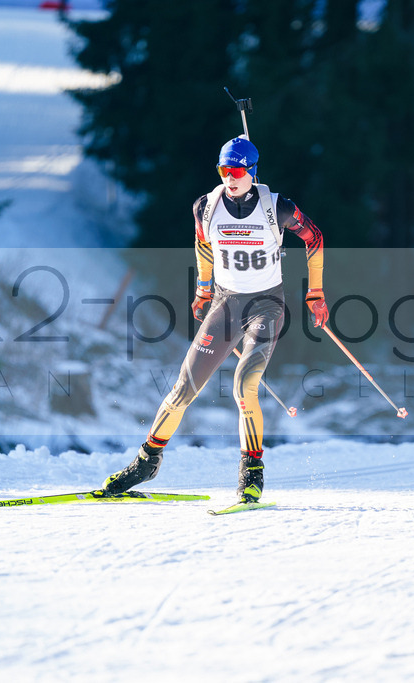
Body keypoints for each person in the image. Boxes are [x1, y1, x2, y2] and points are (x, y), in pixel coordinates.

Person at [99, 136, 327, 503]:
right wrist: (203, 289)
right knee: (183, 388)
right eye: (224, 170)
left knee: (243, 386)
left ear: (252, 171)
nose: (230, 177)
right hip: (225, 305)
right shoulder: (205, 206)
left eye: (237, 170)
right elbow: (203, 245)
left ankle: (252, 472)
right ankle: (147, 461)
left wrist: (315, 292)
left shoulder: (276, 207)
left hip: (266, 306)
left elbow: (314, 237)